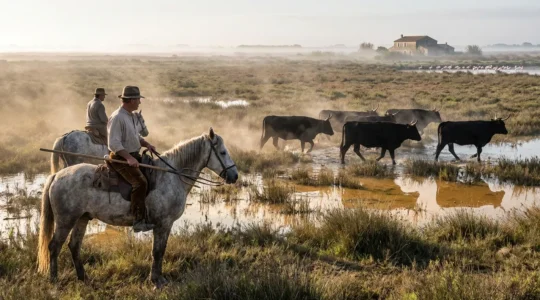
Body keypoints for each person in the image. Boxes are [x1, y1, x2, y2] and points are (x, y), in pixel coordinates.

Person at [107, 86, 157, 232]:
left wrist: (147, 144)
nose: (140, 103)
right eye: (138, 100)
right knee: (140, 183)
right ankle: (138, 220)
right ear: (131, 100)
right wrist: (128, 158)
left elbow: (135, 137)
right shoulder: (117, 117)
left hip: (134, 155)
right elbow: (114, 143)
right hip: (119, 158)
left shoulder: (131, 116)